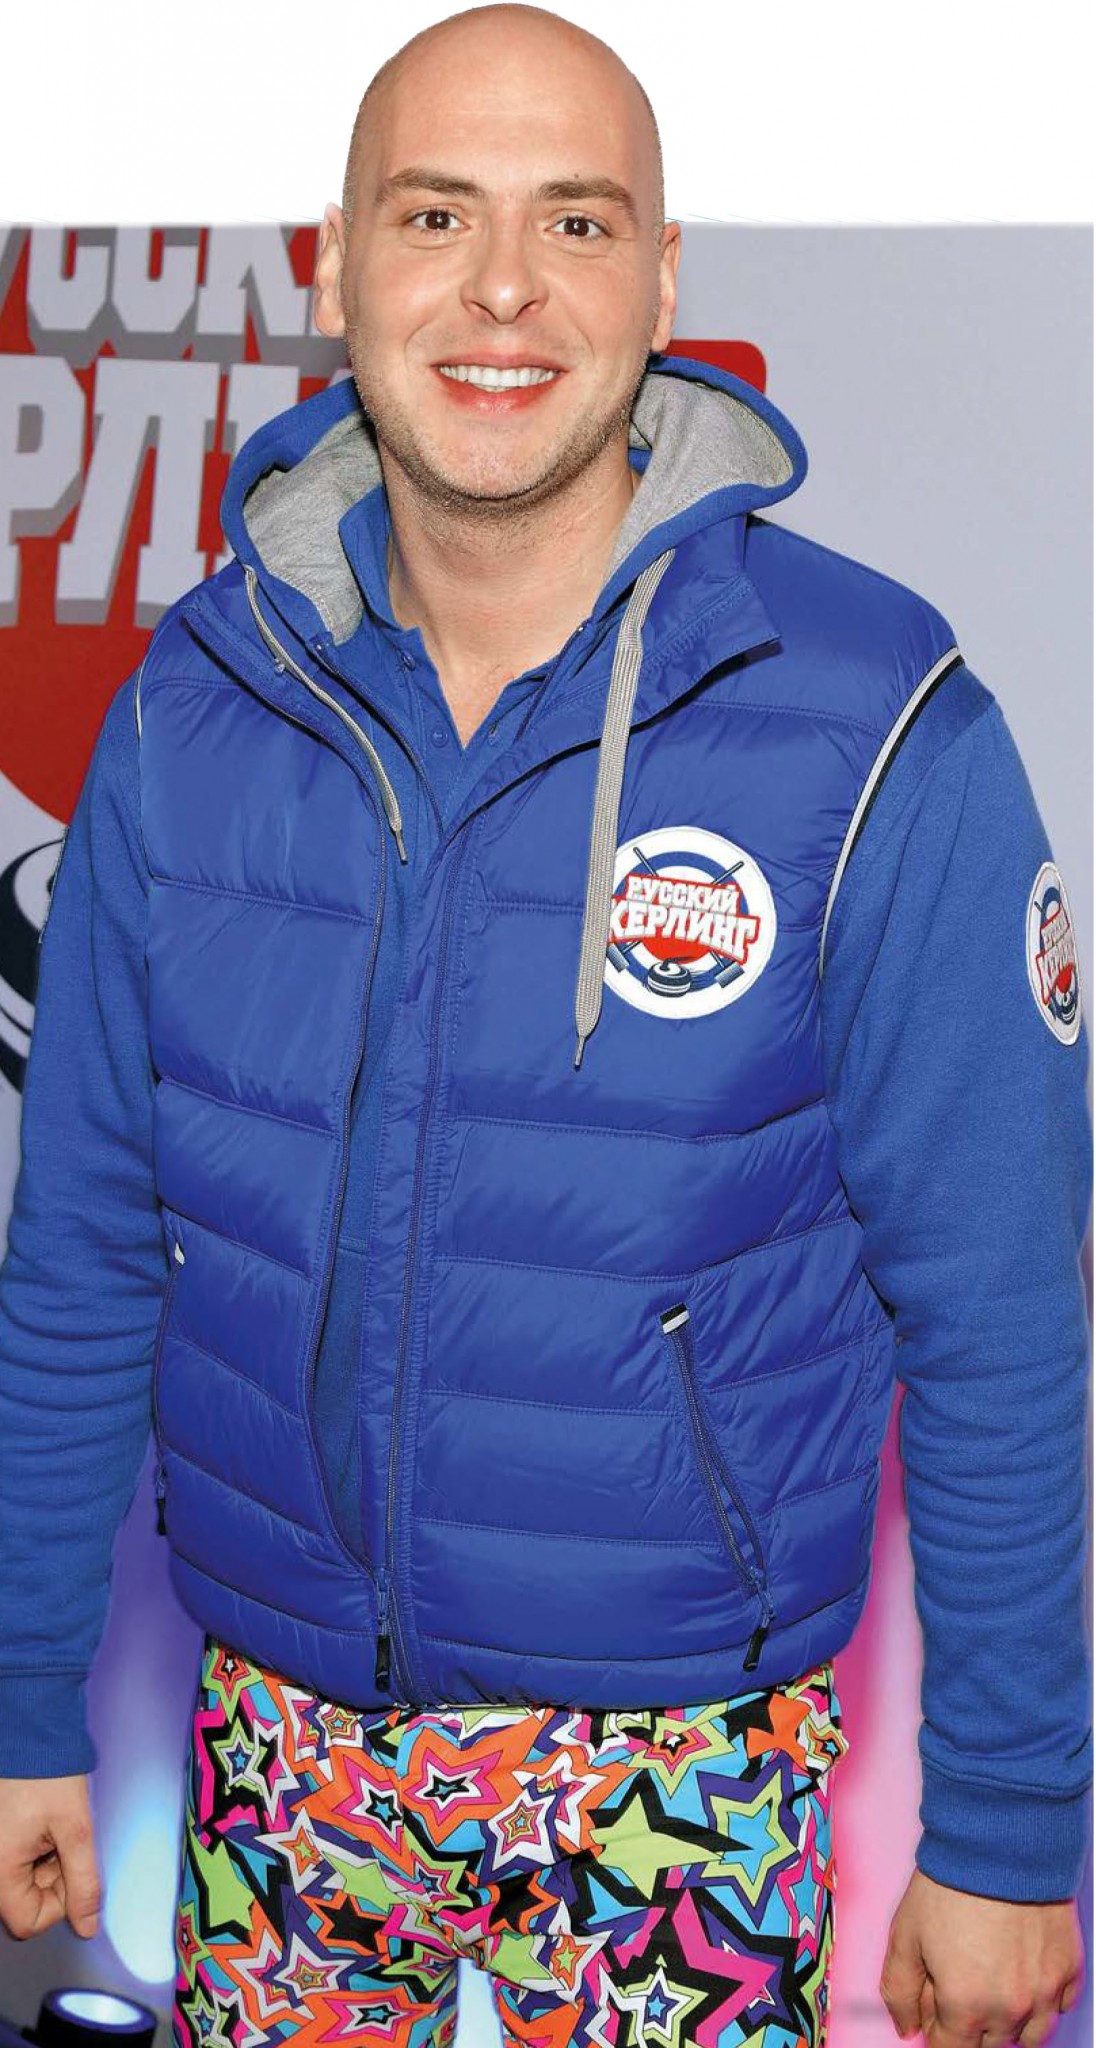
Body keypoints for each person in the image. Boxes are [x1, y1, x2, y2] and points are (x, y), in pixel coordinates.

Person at [0, 6, 1090, 2044]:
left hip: (686, 1784)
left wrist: (1010, 1828)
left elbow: (1003, 1315)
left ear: (660, 282)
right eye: (436, 215)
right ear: (336, 262)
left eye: (574, 221)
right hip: (274, 1756)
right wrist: (16, 1698)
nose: (502, 288)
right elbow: (76, 1257)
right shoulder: (191, 707)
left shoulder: (877, 723)